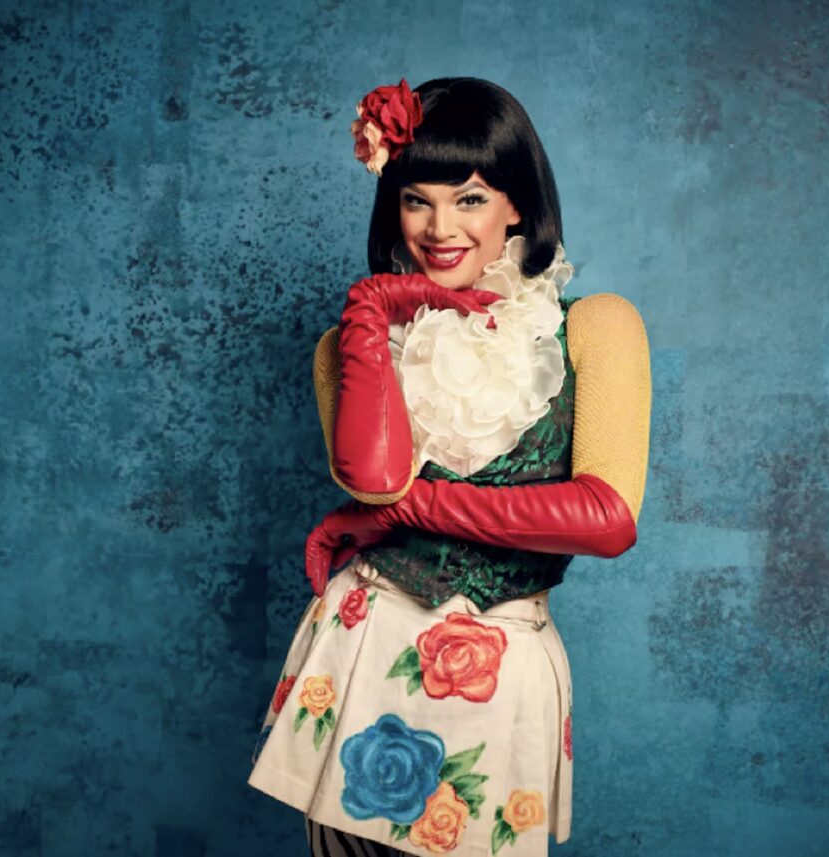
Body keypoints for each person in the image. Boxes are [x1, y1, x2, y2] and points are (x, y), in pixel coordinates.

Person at [248, 77, 651, 857]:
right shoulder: (348, 348)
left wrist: (400, 513)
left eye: (469, 198)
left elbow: (607, 518)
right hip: (362, 647)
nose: (439, 227)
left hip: (500, 670)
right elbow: (375, 478)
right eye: (415, 199)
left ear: (517, 206)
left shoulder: (595, 328)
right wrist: (371, 311)